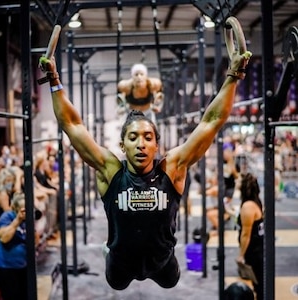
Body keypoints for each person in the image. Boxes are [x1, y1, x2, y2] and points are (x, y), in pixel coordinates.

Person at [38, 49, 251, 290]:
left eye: (148, 137)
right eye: (133, 137)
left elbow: (211, 121)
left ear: (156, 144)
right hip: (121, 265)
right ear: (122, 145)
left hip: (163, 264)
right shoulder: (110, 171)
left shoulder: (172, 168)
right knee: (116, 284)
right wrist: (54, 80)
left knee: (171, 282)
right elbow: (72, 124)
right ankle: (108, 250)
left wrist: (233, 74)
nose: (141, 143)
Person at [236, 173, 264, 300]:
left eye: (239, 180)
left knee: (259, 285)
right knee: (258, 283)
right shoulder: (255, 201)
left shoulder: (248, 206)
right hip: (257, 248)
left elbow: (246, 234)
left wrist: (241, 255)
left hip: (254, 250)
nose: (236, 182)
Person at [0, 192, 28, 300]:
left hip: (23, 266)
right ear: (16, 208)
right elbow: (4, 238)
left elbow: (35, 242)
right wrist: (18, 221)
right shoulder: (7, 217)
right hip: (7, 267)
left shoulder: (28, 220)